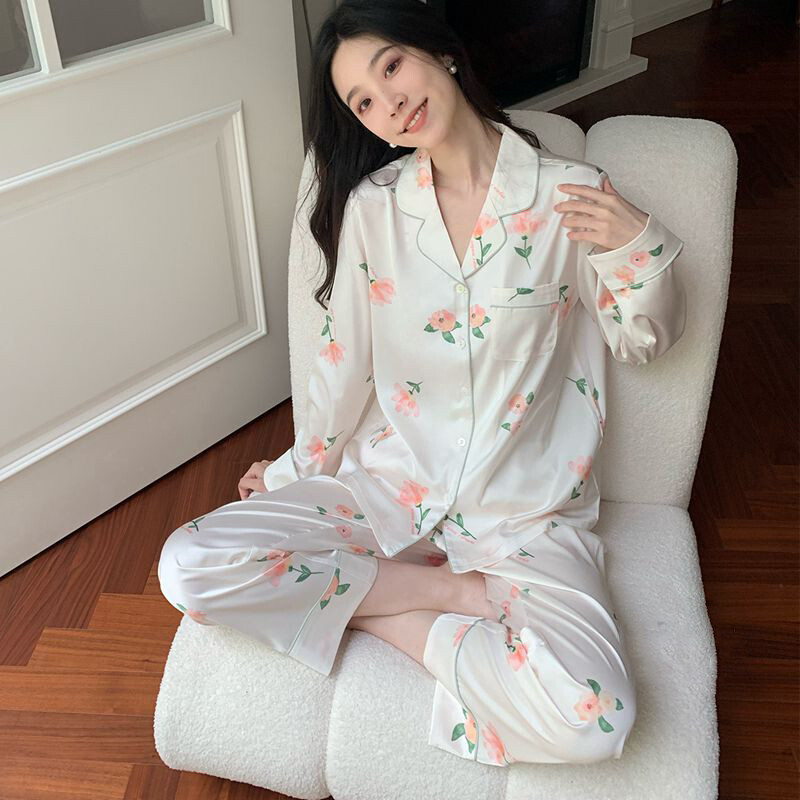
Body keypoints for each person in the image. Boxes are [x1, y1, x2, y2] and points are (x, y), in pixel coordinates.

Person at [158, 0, 687, 767]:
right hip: (392, 490)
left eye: (392, 66)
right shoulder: (374, 211)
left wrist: (639, 242)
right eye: (363, 102)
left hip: (523, 515)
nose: (390, 102)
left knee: (595, 720)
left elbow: (644, 342)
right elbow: (342, 366)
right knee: (190, 566)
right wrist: (290, 473)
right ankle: (438, 594)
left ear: (441, 52)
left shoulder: (568, 195)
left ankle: (372, 609)